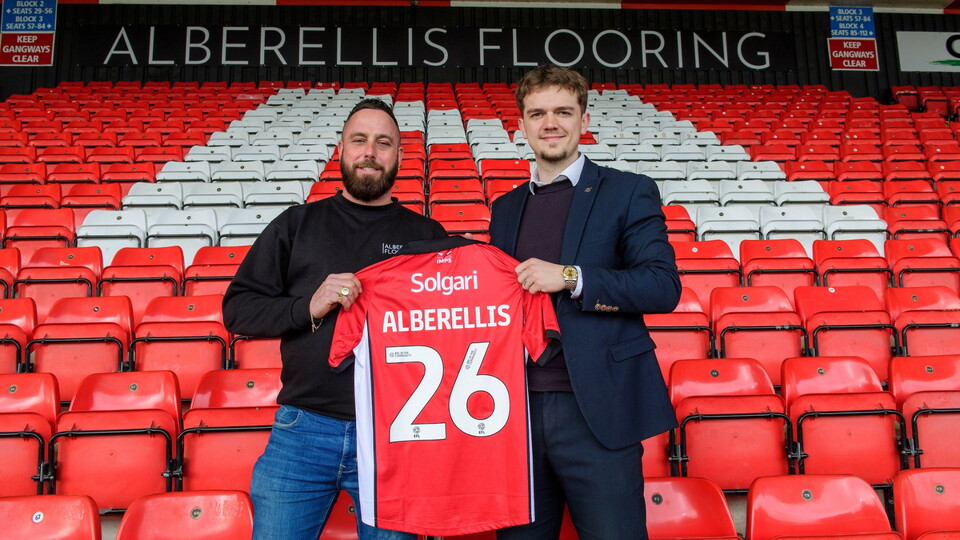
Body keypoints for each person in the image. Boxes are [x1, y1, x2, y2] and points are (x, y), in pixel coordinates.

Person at [222, 98, 448, 540]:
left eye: (384, 143)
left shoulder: (427, 236)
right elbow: (238, 309)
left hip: (395, 433)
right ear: (340, 149)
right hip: (303, 429)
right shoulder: (296, 224)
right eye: (359, 140)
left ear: (399, 156)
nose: (370, 152)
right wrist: (307, 305)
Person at [489, 65, 681, 539]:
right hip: (515, 413)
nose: (549, 123)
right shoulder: (505, 207)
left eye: (562, 112)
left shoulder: (627, 190)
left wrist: (572, 277)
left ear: (583, 119)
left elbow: (662, 286)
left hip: (597, 407)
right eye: (537, 113)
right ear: (522, 125)